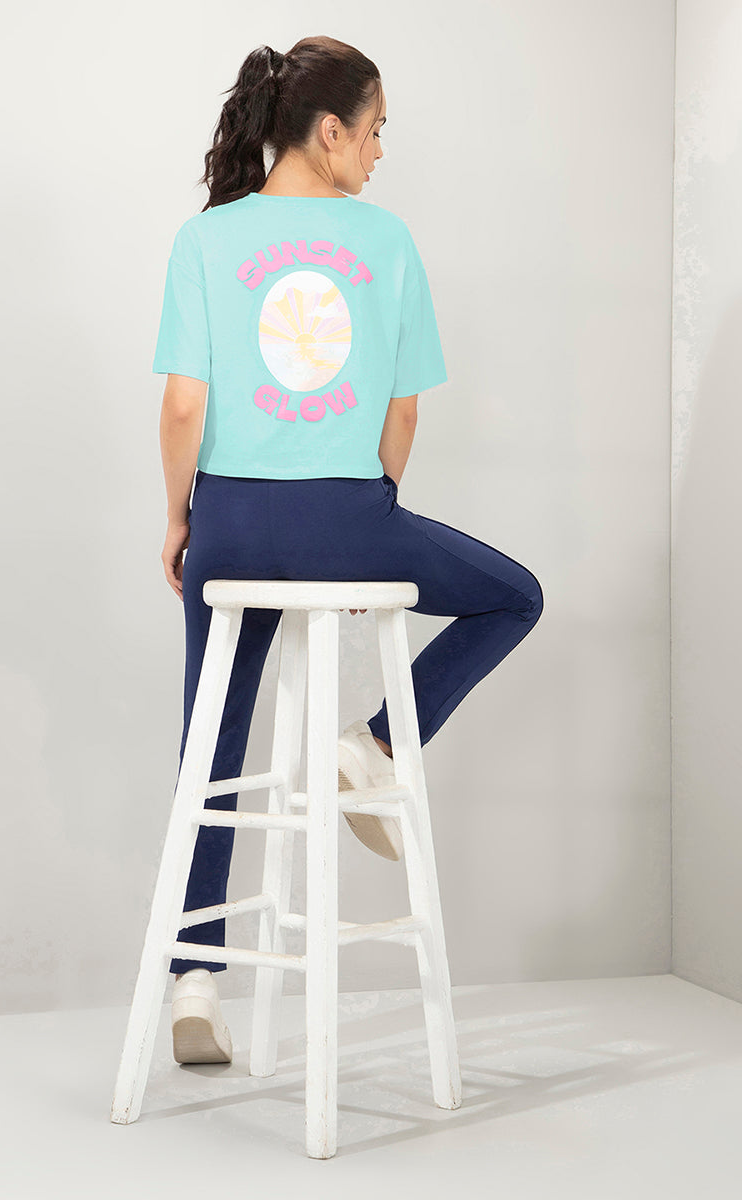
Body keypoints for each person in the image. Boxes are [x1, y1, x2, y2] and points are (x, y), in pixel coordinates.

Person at [153, 35, 544, 1065]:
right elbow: (401, 416)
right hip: (344, 521)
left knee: (212, 734)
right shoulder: (386, 241)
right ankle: (367, 748)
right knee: (514, 595)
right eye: (372, 133)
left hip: (227, 527)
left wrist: (180, 520)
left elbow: (183, 407)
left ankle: (194, 981)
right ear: (329, 132)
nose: (378, 153)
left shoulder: (205, 239)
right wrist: (367, 525)